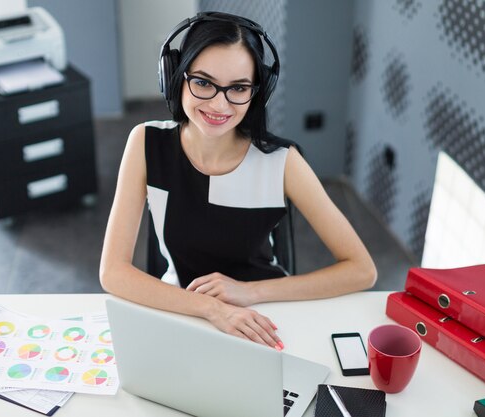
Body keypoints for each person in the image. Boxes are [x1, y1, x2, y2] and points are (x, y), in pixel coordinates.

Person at [100, 12, 376, 351]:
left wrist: (250, 292)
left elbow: (362, 270)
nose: (220, 103)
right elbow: (112, 273)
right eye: (203, 82)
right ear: (175, 76)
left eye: (238, 88)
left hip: (266, 317)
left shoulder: (283, 162)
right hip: (184, 310)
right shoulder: (145, 143)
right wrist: (214, 309)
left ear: (256, 92)